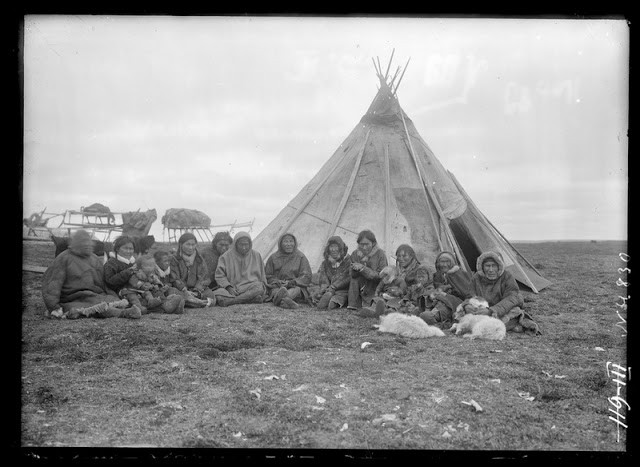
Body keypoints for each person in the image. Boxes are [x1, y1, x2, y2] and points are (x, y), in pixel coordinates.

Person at [41, 230, 141, 319]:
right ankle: (124, 314)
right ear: (76, 243)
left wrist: (112, 295)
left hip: (94, 294)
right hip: (72, 297)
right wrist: (53, 307)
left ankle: (129, 309)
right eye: (83, 242)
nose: (87, 245)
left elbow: (103, 282)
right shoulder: (64, 258)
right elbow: (53, 284)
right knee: (98, 307)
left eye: (88, 242)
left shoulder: (94, 258)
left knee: (112, 301)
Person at [446, 250, 541, 335]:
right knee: (461, 313)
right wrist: (468, 306)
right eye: (487, 266)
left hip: (500, 310)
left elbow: (512, 298)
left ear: (499, 266)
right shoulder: (476, 278)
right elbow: (470, 296)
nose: (491, 270)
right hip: (481, 310)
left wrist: (492, 310)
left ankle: (487, 326)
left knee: (514, 311)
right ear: (482, 267)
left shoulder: (507, 277)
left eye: (494, 266)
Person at [213, 231, 268, 307]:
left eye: (246, 244)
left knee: (259, 287)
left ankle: (233, 301)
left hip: (251, 287)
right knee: (218, 294)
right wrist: (228, 287)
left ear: (250, 244)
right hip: (232, 288)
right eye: (241, 244)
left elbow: (262, 274)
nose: (244, 247)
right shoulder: (225, 257)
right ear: (235, 244)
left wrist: (265, 287)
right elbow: (220, 276)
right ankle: (249, 299)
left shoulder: (256, 255)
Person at [418, 251, 469, 328]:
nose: (444, 265)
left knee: (426, 316)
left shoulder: (460, 275)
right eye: (442, 262)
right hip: (434, 302)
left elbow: (466, 294)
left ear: (452, 263)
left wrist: (445, 295)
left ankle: (437, 320)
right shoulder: (436, 276)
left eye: (447, 262)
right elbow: (428, 288)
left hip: (452, 305)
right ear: (438, 263)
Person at [265, 233, 313, 310]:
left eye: (291, 241)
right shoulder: (273, 257)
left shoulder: (300, 257)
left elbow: (306, 276)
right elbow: (268, 275)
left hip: (294, 285)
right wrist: (278, 282)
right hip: (278, 286)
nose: (288, 244)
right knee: (276, 291)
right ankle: (285, 301)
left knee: (296, 290)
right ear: (281, 243)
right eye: (286, 242)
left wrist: (292, 282)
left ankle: (279, 300)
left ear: (295, 243)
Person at [169, 232, 216, 307]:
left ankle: (191, 302)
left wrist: (196, 290)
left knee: (210, 294)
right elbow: (174, 278)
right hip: (181, 290)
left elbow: (204, 277)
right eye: (188, 244)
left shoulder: (199, 259)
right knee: (172, 292)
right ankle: (194, 302)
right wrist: (185, 290)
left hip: (196, 290)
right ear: (181, 245)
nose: (191, 247)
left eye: (193, 244)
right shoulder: (175, 259)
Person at [347, 230, 388, 310]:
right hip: (360, 287)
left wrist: (363, 268)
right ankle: (354, 304)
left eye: (367, 244)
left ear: (373, 243)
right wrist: (355, 269)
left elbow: (382, 276)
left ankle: (372, 306)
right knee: (354, 280)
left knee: (377, 302)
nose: (364, 247)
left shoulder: (380, 254)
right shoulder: (355, 254)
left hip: (375, 288)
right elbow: (351, 275)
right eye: (361, 244)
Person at [315, 236, 351, 310]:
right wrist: (325, 288)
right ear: (328, 249)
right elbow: (323, 277)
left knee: (337, 299)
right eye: (331, 247)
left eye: (336, 247)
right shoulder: (325, 263)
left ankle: (330, 302)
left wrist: (334, 287)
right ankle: (325, 298)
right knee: (318, 294)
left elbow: (347, 278)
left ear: (341, 248)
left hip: (342, 290)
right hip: (328, 289)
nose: (333, 250)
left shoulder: (348, 261)